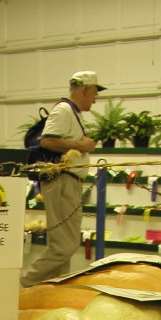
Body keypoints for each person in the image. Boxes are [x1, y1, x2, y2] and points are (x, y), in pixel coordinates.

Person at [20, 71, 105, 287]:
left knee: (64, 245)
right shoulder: (64, 111)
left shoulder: (72, 113)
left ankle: (52, 290)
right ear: (87, 89)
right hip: (62, 181)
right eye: (95, 92)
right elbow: (47, 141)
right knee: (63, 246)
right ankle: (24, 283)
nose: (95, 98)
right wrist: (81, 145)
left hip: (69, 182)